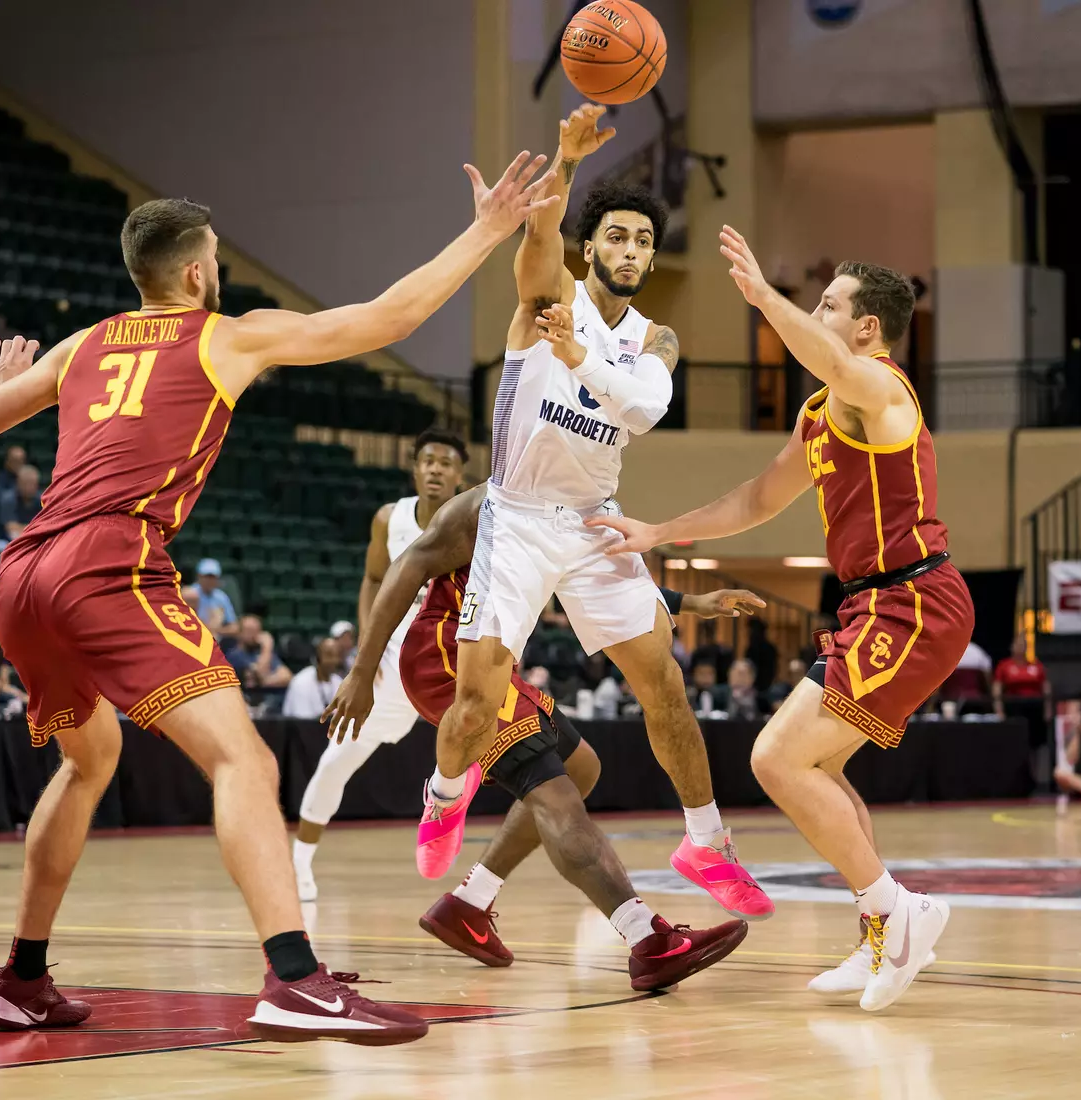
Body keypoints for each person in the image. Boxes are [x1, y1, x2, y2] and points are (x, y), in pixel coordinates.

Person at [0, 154, 557, 1042]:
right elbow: (391, 316)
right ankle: (294, 980)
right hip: (107, 564)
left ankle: (21, 979)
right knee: (247, 764)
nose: (219, 268)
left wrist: (4, 391)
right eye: (216, 256)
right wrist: (489, 230)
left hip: (23, 575)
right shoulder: (224, 335)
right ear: (196, 271)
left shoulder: (86, 343)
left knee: (87, 761)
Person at [591, 243, 971, 1012]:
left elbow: (826, 354)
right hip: (874, 604)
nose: (816, 313)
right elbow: (757, 500)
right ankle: (881, 933)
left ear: (866, 329)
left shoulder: (881, 390)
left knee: (776, 760)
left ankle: (901, 915)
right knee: (817, 768)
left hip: (914, 598)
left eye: (829, 305)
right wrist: (660, 530)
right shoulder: (820, 414)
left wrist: (766, 297)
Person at [422, 106, 773, 923]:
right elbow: (538, 237)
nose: (631, 251)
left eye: (644, 242)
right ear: (593, 248)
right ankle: (444, 793)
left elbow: (647, 409)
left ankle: (705, 839)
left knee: (666, 687)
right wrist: (568, 161)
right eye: (616, 237)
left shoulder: (658, 337)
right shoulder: (549, 297)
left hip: (593, 521)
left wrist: (585, 362)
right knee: (476, 704)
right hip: (515, 516)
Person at [323, 481, 760, 985]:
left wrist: (689, 603)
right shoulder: (484, 506)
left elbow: (590, 582)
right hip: (445, 660)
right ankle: (647, 938)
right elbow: (406, 568)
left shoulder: (571, 502)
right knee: (556, 796)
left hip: (497, 661)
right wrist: (361, 672)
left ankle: (469, 902)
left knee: (582, 767)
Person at [292, 428, 467, 901]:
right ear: (414, 468)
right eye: (427, 460)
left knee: (493, 746)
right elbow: (373, 580)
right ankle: (300, 863)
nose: (435, 469)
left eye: (445, 463)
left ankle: (475, 873)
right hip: (393, 663)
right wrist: (368, 656)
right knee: (337, 760)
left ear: (459, 475)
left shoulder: (472, 520)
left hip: (449, 659)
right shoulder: (389, 518)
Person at [993, 633, 1052, 742]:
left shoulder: (1036, 666)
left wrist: (1047, 709)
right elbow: (997, 689)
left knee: (1035, 741)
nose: (1021, 647)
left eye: (1023, 644)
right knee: (1014, 740)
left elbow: (1046, 688)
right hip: (1013, 708)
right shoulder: (1004, 666)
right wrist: (999, 710)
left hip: (1034, 708)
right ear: (1012, 647)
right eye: (1018, 644)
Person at [281, 637, 345, 720]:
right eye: (329, 655)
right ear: (317, 658)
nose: (334, 660)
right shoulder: (301, 682)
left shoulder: (339, 682)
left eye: (337, 656)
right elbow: (302, 722)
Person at [227, 611, 291, 693]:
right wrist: (267, 647)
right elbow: (260, 674)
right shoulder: (235, 655)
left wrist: (265, 681)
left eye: (257, 631)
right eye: (250, 631)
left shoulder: (261, 652)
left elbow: (287, 676)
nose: (254, 635)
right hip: (249, 699)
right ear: (240, 633)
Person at [184, 558, 238, 636]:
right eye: (207, 576)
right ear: (199, 576)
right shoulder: (190, 594)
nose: (209, 580)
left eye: (213, 577)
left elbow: (234, 627)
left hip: (216, 638)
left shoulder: (221, 597)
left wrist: (216, 630)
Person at [0, 464, 42, 538]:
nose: (29, 487)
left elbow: (46, 526)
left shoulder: (42, 500)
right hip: (8, 542)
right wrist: (36, 528)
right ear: (18, 483)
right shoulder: (8, 499)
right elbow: (11, 528)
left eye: (32, 484)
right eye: (26, 484)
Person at [0, 445, 26, 515]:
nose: (18, 464)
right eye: (15, 461)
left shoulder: (28, 478)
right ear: (7, 462)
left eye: (21, 461)